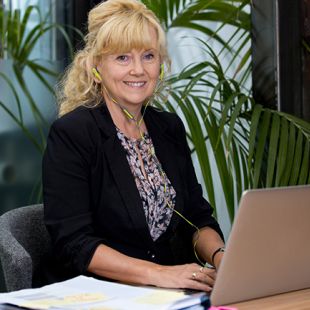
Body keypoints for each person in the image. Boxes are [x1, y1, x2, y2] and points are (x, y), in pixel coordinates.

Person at [42, 0, 225, 292]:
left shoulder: (169, 128)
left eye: (148, 56)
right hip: (95, 294)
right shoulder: (73, 133)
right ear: (96, 66)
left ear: (160, 64)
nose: (138, 70)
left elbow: (197, 218)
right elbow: (74, 243)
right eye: (123, 58)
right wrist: (159, 274)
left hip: (166, 295)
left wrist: (221, 258)